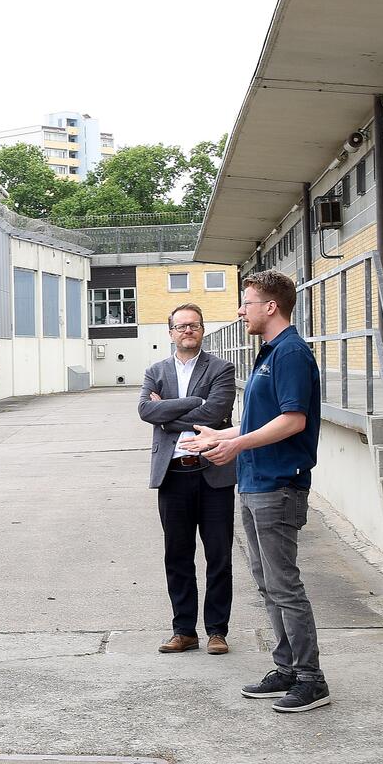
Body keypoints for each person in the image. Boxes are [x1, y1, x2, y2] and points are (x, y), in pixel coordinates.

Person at [188, 269, 327, 713]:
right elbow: (260, 423)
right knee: (268, 585)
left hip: (278, 486)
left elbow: (293, 421)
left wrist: (234, 443)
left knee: (285, 586)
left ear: (271, 307)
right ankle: (286, 668)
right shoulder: (269, 353)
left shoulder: (290, 354)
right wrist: (220, 435)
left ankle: (311, 678)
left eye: (246, 302)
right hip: (253, 483)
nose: (241, 310)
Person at [138, 304, 237, 656]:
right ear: (170, 333)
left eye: (193, 325)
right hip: (173, 475)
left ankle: (216, 631)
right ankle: (184, 631)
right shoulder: (155, 371)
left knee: (218, 555)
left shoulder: (222, 369)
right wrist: (193, 402)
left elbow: (216, 412)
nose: (187, 331)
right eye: (180, 326)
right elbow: (145, 411)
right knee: (177, 555)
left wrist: (169, 413)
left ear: (202, 330)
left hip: (213, 473)